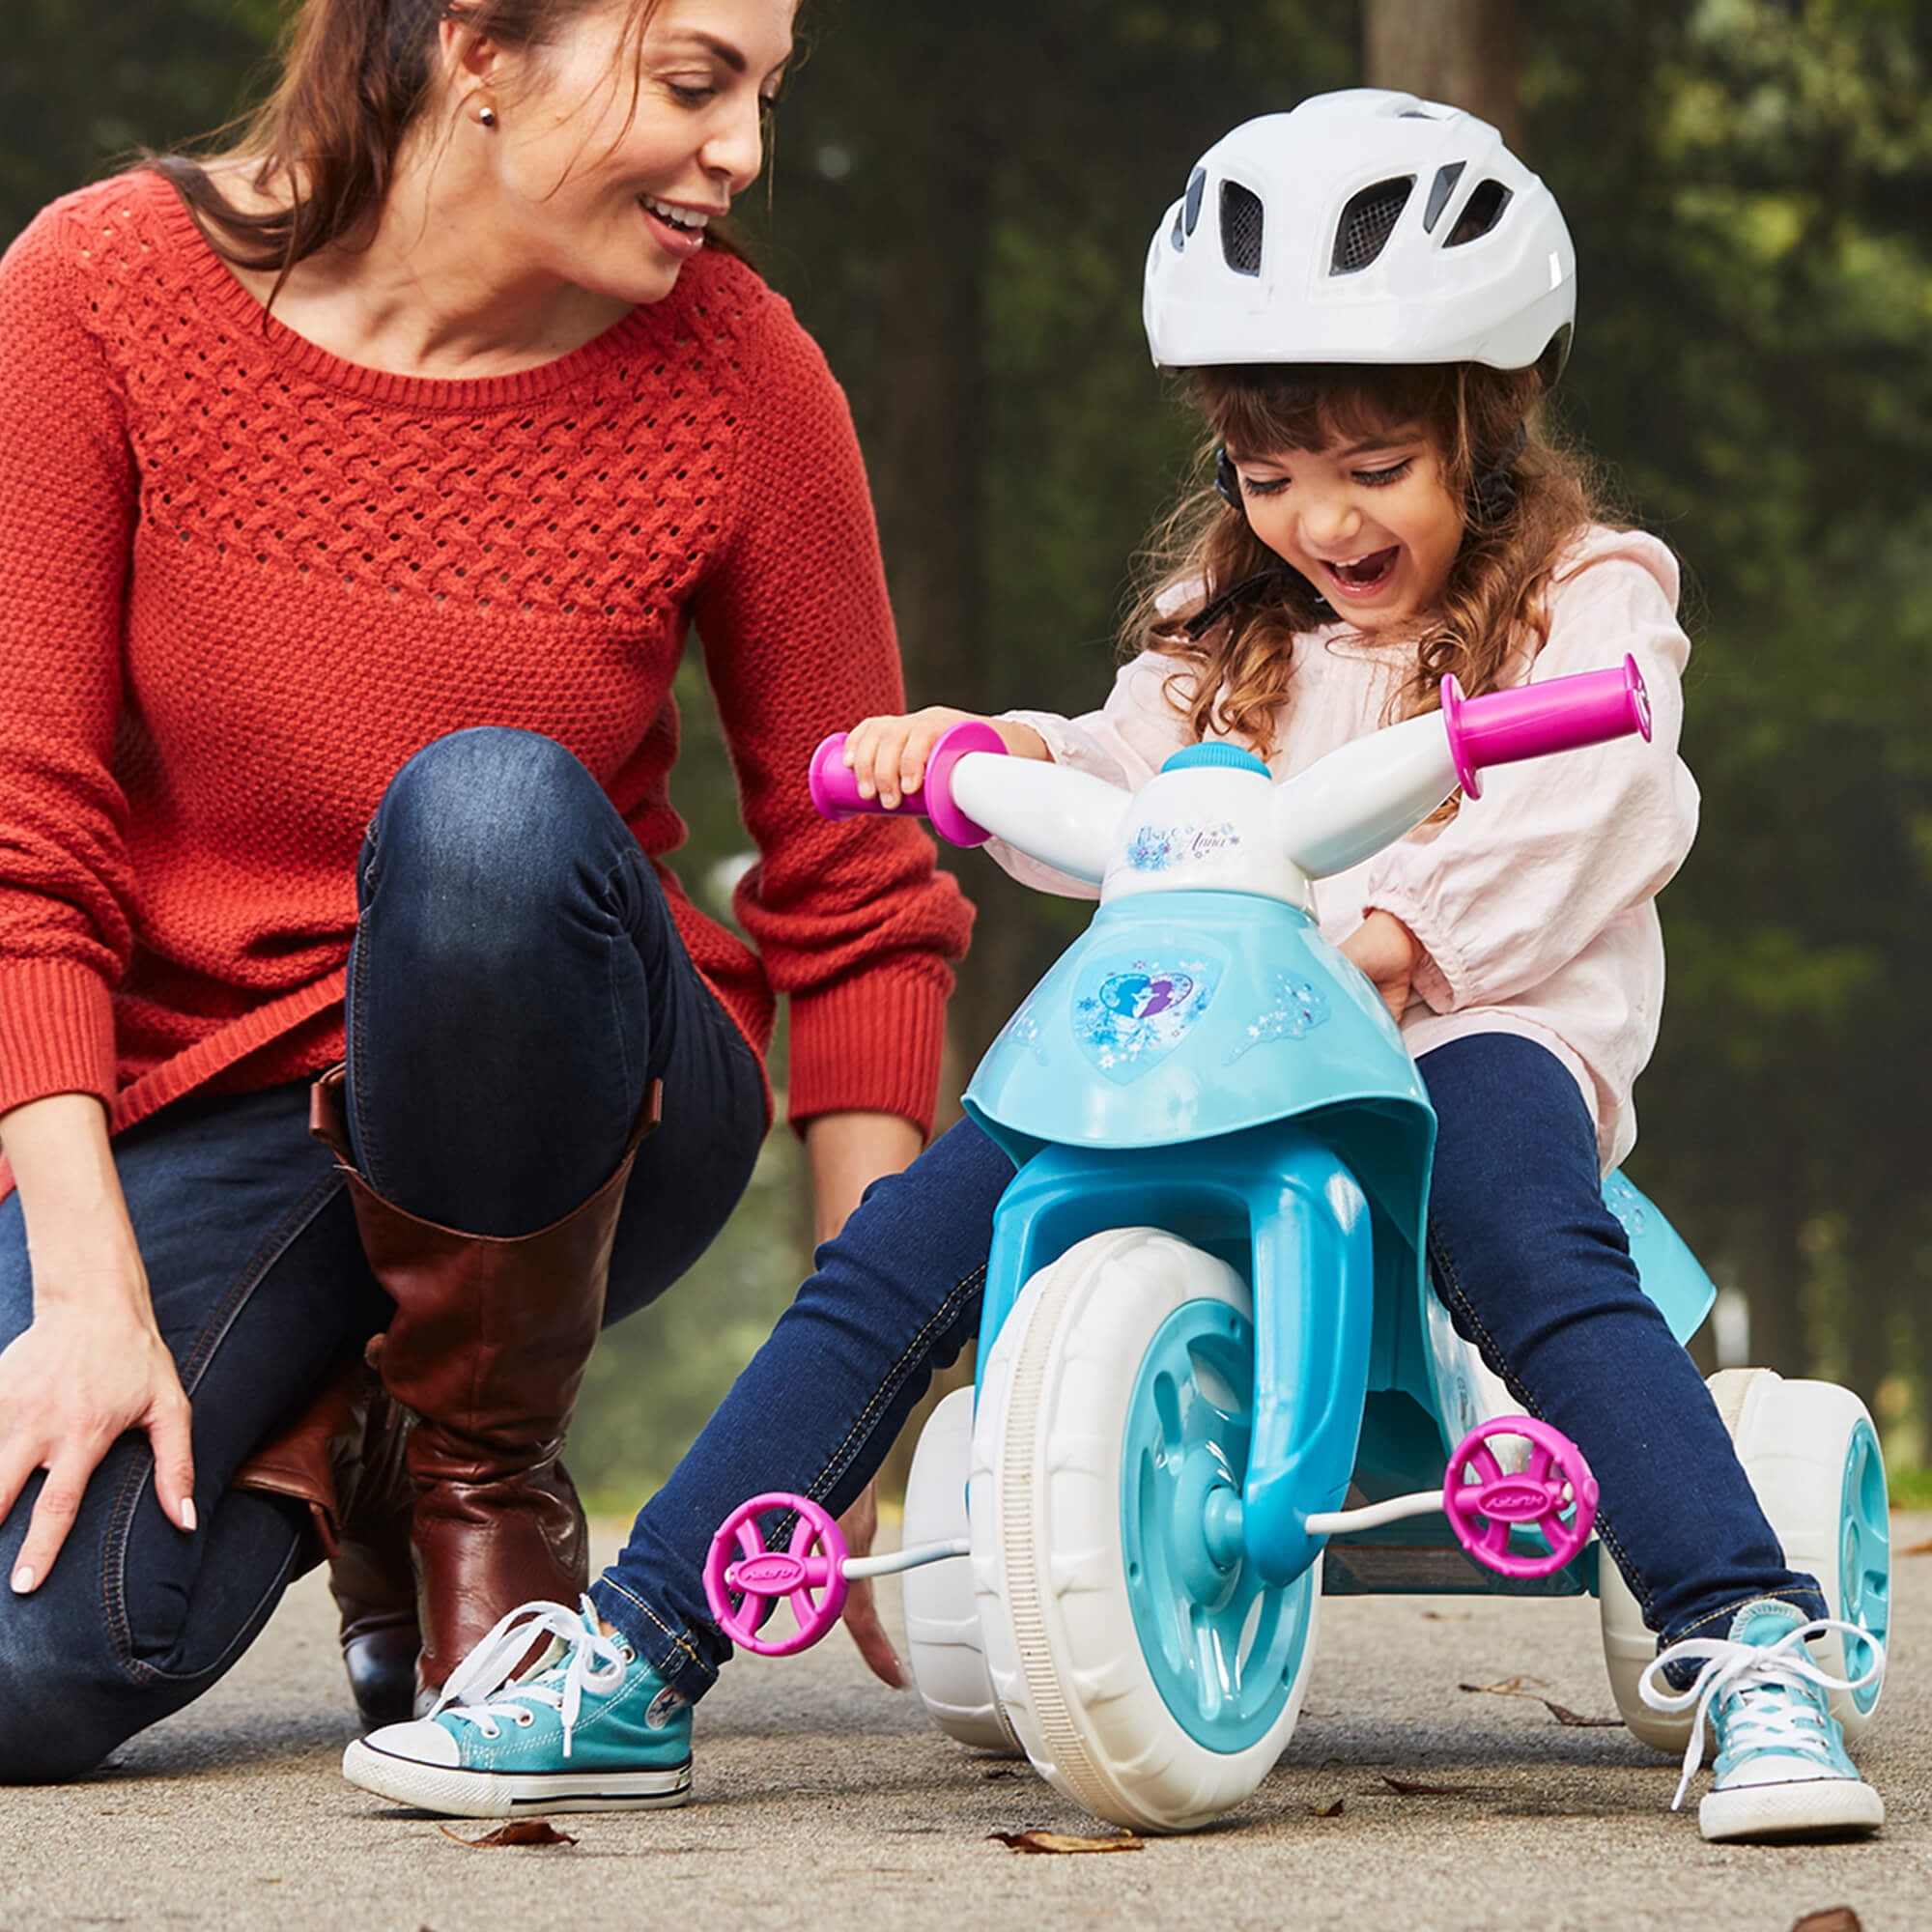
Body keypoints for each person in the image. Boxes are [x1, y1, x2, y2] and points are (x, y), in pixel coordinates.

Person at [340, 91, 1884, 1843]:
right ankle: (636, 1654)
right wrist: (980, 752)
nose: (1325, 519)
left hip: (1468, 1020)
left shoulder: (1588, 602)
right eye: (1271, 470)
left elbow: (1597, 801)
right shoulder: (1217, 630)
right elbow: (1133, 775)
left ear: (1491, 421)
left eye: (1378, 469)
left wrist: (1393, 943)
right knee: (915, 1239)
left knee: (1525, 1228)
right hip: (1217, 1026)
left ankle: (1750, 1640)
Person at [0, 0, 974, 1781]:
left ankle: (478, 1470)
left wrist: (859, 1401)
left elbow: (859, 890)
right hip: (198, 1107)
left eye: (762, 93)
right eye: (695, 83)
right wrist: (85, 1304)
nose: (742, 151)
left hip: (573, 1088)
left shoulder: (745, 376)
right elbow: (22, 829)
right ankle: (349, 1439)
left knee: (491, 815)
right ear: (476, 48)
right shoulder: (95, 291)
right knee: (24, 1669)